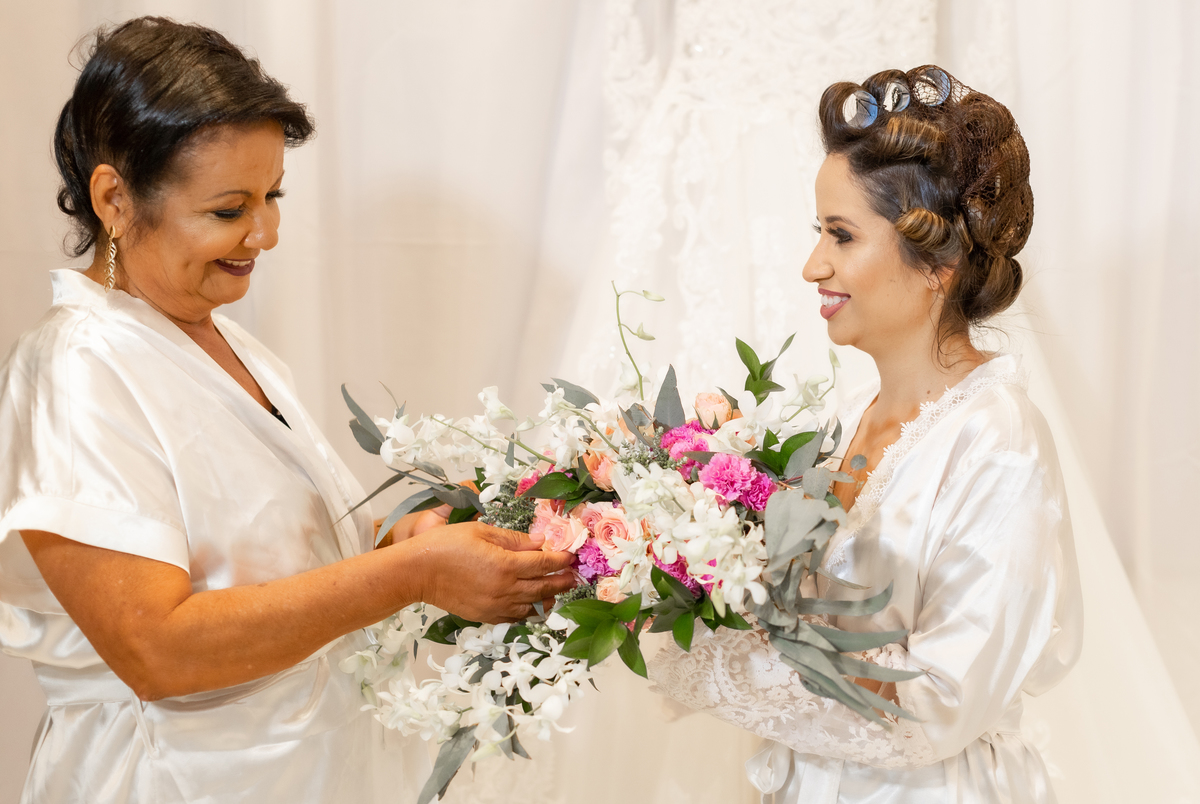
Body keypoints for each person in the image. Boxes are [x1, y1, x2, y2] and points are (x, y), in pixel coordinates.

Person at [0, 17, 575, 804]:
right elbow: (155, 649)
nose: (265, 233)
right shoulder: (77, 367)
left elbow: (266, 561)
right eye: (230, 209)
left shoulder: (223, 340)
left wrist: (397, 539)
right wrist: (406, 573)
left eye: (272, 196)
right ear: (114, 199)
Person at [647, 66, 1084, 803]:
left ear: (938, 263)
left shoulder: (999, 441)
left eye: (840, 235)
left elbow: (932, 707)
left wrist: (711, 665)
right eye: (818, 232)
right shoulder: (867, 411)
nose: (813, 264)